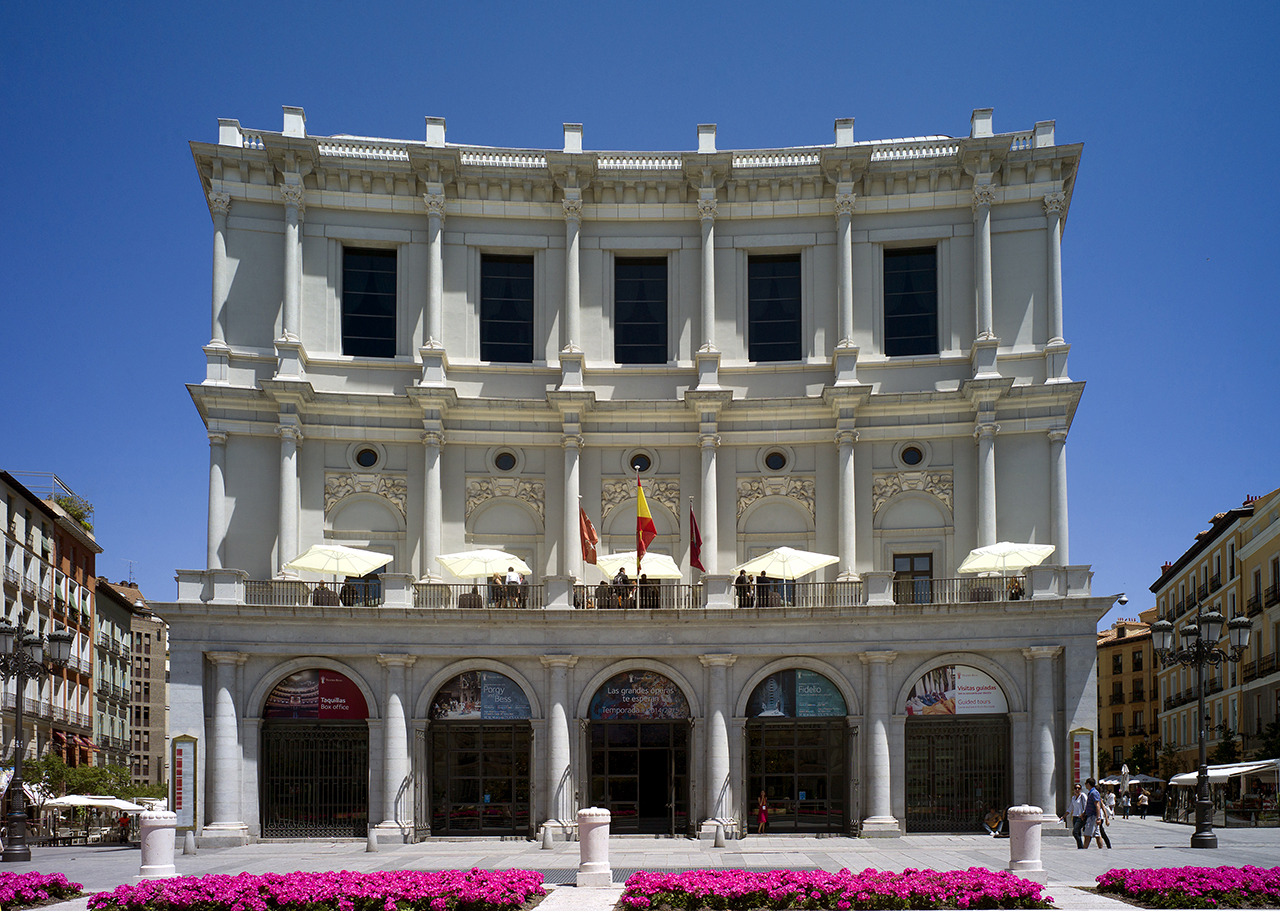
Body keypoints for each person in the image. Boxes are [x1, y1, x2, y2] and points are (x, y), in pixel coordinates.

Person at [1068, 782, 1087, 848]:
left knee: (1075, 832)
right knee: (1078, 833)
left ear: (1081, 789)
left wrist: (1083, 814)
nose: (1077, 790)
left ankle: (1081, 846)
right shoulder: (1073, 798)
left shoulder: (1083, 796)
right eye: (1075, 788)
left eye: (1078, 788)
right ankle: (1079, 847)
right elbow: (1070, 807)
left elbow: (1086, 805)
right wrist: (1064, 815)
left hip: (1080, 817)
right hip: (1074, 817)